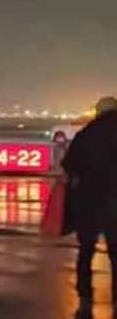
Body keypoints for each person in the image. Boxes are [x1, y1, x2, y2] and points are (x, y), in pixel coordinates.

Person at [63, 96, 117, 302]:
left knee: (86, 249)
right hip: (115, 202)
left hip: (89, 200)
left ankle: (84, 289)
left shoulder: (85, 134)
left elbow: (69, 165)